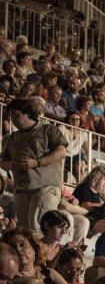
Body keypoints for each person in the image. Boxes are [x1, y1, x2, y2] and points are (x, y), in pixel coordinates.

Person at [0, 96, 68, 232]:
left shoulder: (48, 130)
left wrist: (37, 162)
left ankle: (42, 253)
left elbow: (61, 152)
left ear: (28, 113)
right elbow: (3, 162)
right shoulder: (11, 138)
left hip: (45, 187)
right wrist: (12, 165)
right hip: (21, 189)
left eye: (16, 115)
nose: (13, 119)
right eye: (11, 116)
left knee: (39, 227)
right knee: (24, 231)